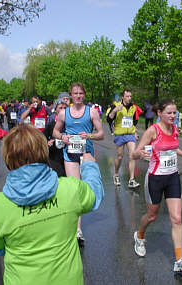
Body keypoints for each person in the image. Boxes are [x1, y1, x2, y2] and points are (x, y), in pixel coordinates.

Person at [0, 124, 104, 285]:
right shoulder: (70, 189)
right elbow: (94, 196)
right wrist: (89, 166)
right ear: (43, 151)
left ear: (7, 157)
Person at [131, 98, 182, 272]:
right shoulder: (152, 131)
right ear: (159, 113)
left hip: (173, 177)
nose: (173, 116)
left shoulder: (174, 129)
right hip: (155, 178)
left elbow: (172, 147)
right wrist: (141, 154)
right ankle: (140, 236)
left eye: (175, 113)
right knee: (152, 216)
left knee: (177, 218)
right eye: (169, 113)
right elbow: (135, 154)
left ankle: (179, 260)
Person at [53, 82, 104, 245]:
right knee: (75, 190)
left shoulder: (92, 112)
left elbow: (102, 134)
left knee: (89, 188)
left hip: (86, 153)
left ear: (84, 94)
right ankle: (77, 229)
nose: (78, 96)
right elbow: (55, 131)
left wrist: (89, 136)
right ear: (70, 96)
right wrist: (62, 137)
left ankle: (77, 222)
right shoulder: (63, 113)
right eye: (75, 93)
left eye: (80, 93)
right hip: (70, 154)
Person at [107, 89, 140, 188]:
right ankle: (116, 174)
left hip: (130, 134)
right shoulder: (115, 105)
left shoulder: (133, 107)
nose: (129, 98)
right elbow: (109, 119)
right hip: (120, 134)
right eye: (127, 96)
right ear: (122, 97)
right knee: (120, 156)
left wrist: (135, 132)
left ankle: (131, 180)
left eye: (130, 96)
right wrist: (115, 110)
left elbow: (134, 121)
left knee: (132, 155)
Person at [43, 99, 68, 177]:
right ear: (55, 109)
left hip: (68, 156)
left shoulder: (70, 124)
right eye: (60, 108)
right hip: (54, 157)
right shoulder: (51, 124)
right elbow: (42, 138)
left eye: (65, 108)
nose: (63, 110)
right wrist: (47, 142)